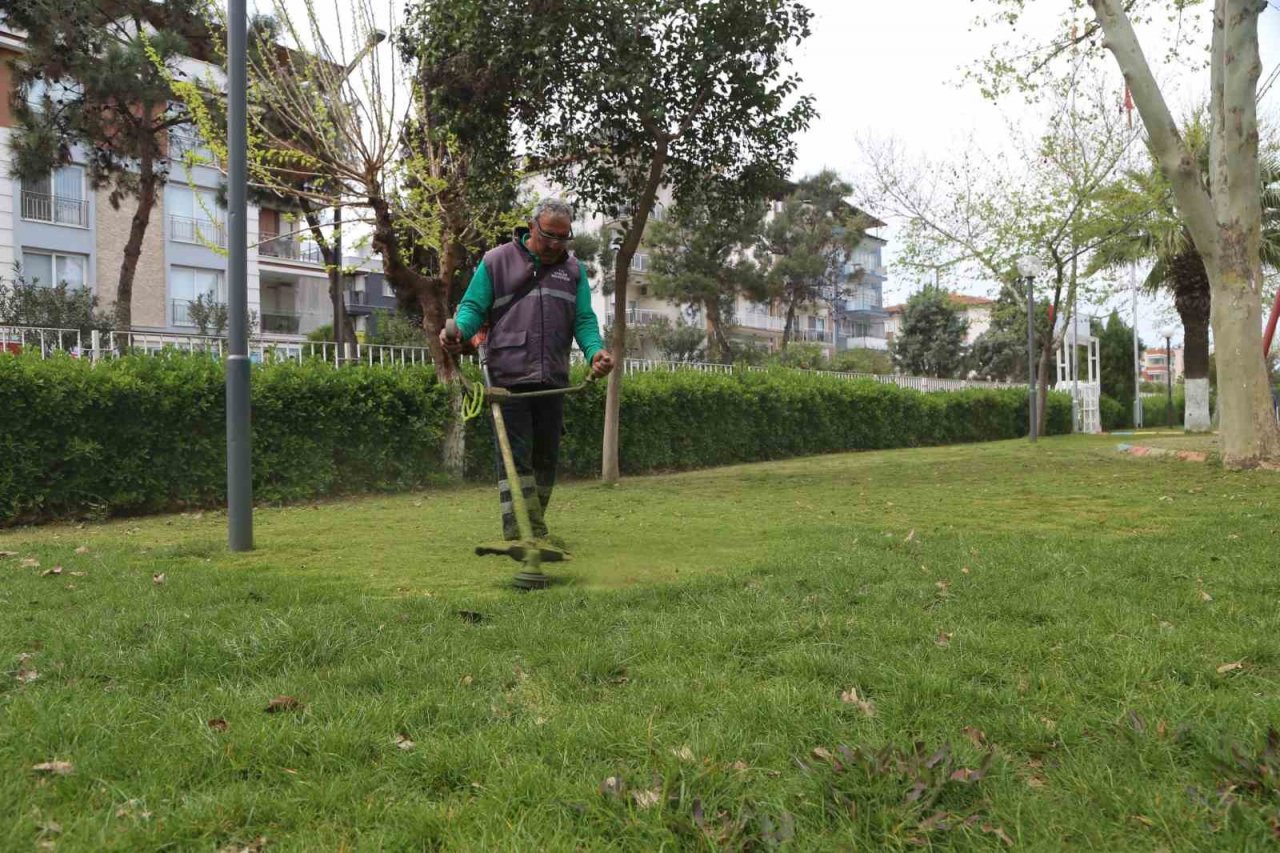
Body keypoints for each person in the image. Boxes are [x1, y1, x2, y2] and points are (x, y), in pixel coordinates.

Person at [441, 197, 614, 542]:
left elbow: (583, 318)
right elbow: (473, 307)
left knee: (545, 459)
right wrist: (459, 330)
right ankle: (522, 532)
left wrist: (595, 351)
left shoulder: (574, 271)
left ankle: (533, 525)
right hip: (507, 376)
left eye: (563, 238)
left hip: (553, 377)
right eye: (549, 235)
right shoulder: (496, 261)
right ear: (532, 226)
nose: (554, 245)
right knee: (515, 459)